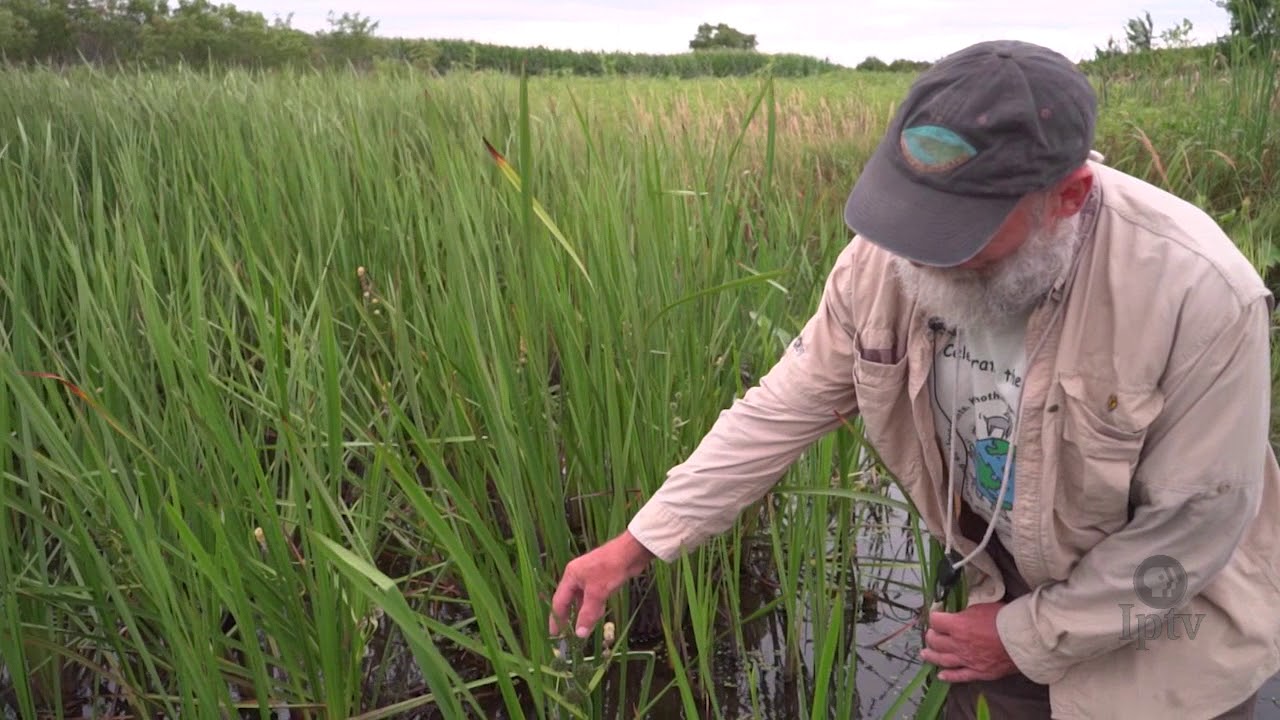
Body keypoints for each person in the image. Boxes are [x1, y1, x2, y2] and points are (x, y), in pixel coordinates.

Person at [548, 39, 1280, 719]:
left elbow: (1195, 523)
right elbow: (780, 408)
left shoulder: (1198, 293)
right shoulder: (888, 259)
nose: (920, 255)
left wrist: (1025, 635)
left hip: (1164, 633)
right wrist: (637, 543)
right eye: (915, 215)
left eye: (959, 231)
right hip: (997, 591)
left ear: (1067, 196)